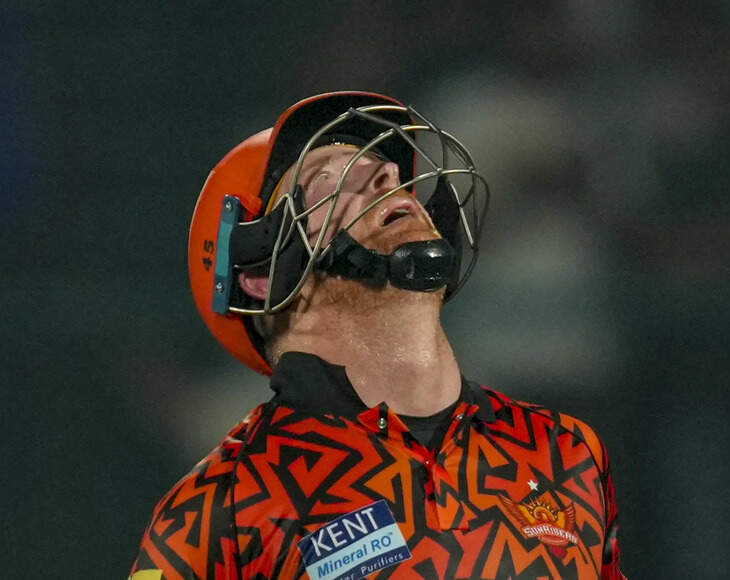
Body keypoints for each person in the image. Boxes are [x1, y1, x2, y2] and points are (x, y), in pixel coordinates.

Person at [128, 92, 625, 580]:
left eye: (386, 168)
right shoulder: (224, 507)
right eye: (328, 176)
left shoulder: (564, 451)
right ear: (261, 274)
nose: (388, 175)